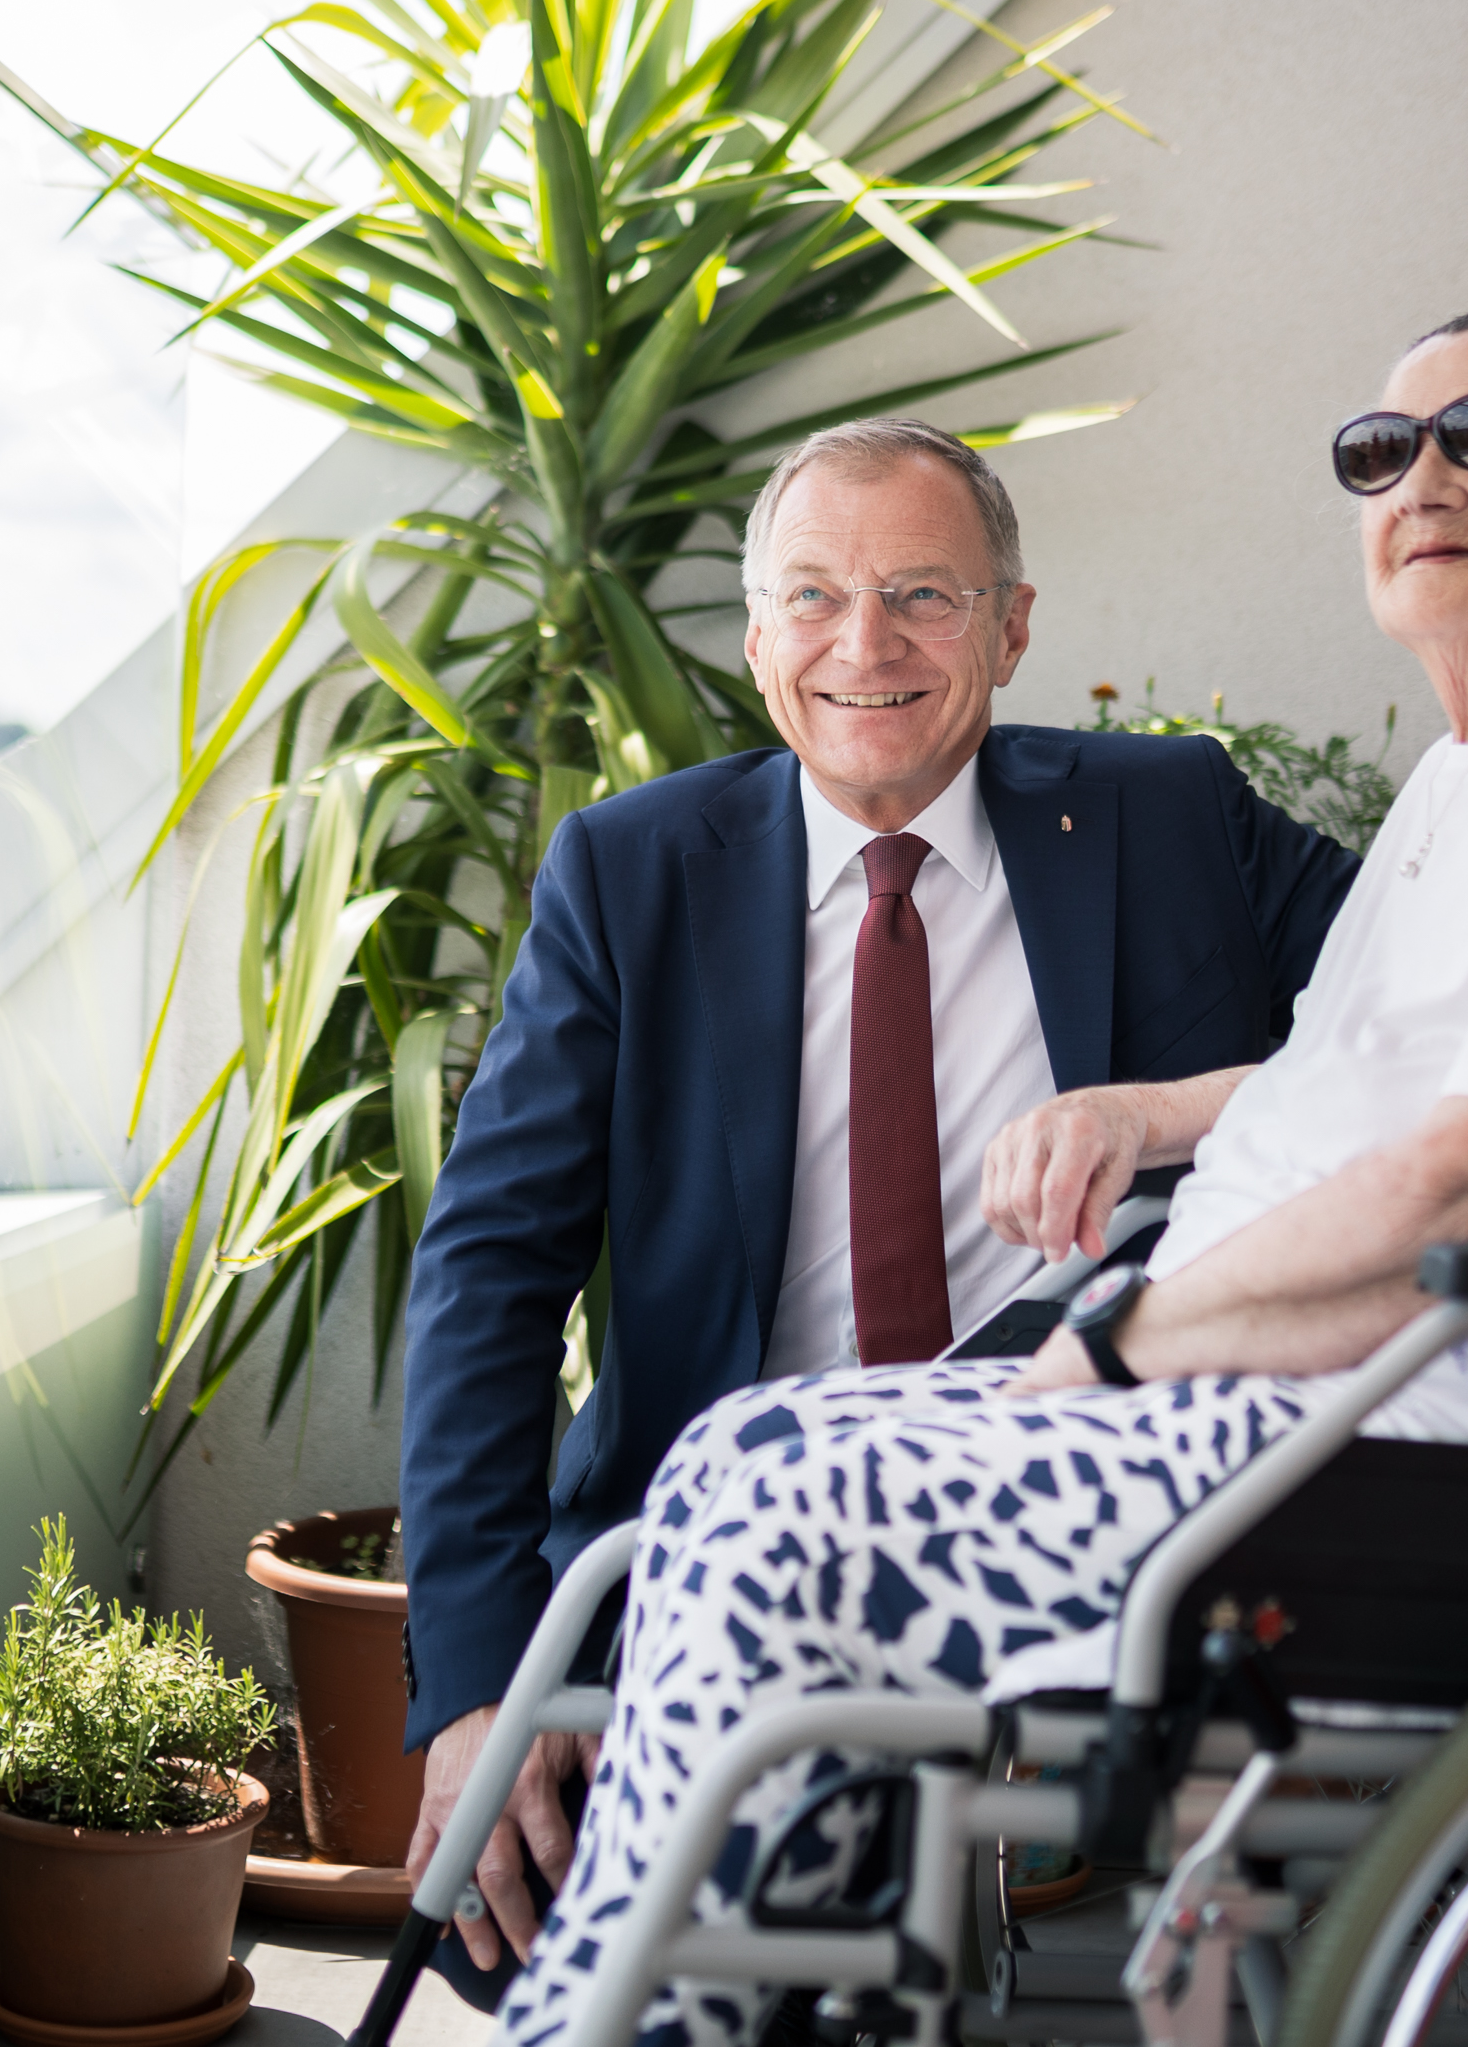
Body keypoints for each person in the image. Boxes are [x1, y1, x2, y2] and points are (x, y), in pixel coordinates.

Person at [485, 310, 1468, 2047]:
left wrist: (1126, 1341)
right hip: (1322, 1434)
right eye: (1380, 448)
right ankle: (729, 2015)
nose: (1422, 476)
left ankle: (637, 2025)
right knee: (744, 1454)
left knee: (787, 1505)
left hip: (1426, 1468)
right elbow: (1379, 1088)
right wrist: (1153, 1111)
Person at [401, 416, 1358, 1989]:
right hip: (714, 1523)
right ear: (758, 632)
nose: (867, 643)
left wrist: (1167, 1111)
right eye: (815, 598)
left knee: (730, 1954)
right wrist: (475, 1694)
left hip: (1089, 1519)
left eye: (923, 592)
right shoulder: (629, 874)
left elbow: (1435, 1029)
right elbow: (488, 1280)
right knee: (538, 1921)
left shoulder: (1173, 819)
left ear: (1013, 624)